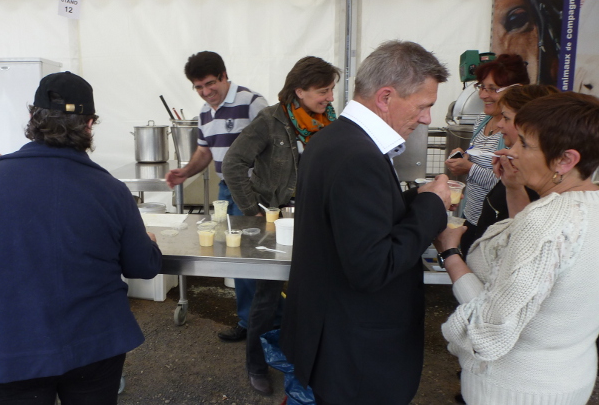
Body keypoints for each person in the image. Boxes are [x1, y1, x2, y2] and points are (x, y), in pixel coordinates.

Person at [0, 72, 162, 405]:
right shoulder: (111, 190)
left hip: (8, 346)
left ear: (32, 117)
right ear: (89, 125)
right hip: (94, 343)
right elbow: (142, 267)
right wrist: (150, 242)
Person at [280, 40, 452, 405]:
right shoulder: (359, 155)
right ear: (386, 97)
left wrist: (415, 199)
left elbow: (356, 218)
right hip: (357, 354)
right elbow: (372, 267)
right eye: (423, 106)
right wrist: (433, 207)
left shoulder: (333, 139)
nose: (426, 119)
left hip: (335, 337)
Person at [437, 92, 599, 404]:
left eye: (523, 143)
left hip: (515, 390)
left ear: (565, 160)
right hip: (569, 376)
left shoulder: (546, 222)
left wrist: (450, 252)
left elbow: (490, 327)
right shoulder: (581, 210)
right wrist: (514, 188)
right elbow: (535, 264)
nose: (510, 151)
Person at [222, 56, 340, 395]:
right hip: (274, 220)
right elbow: (233, 163)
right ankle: (256, 364)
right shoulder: (270, 120)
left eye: (331, 89)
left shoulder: (329, 120)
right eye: (323, 91)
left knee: (312, 291)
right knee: (267, 296)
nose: (330, 97)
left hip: (314, 218)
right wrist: (251, 211)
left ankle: (304, 359)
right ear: (299, 91)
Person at [166, 51, 268, 342]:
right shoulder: (205, 113)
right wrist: (184, 172)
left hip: (252, 191)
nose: (206, 92)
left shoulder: (252, 102)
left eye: (211, 83)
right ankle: (249, 322)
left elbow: (274, 146)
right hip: (226, 191)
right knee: (235, 258)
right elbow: (205, 152)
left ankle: (265, 324)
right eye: (199, 87)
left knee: (256, 260)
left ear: (224, 75)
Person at [446, 54, 530, 255]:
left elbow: (507, 182)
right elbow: (479, 156)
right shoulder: (483, 119)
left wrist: (470, 169)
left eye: (492, 89)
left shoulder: (517, 133)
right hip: (472, 214)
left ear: (516, 90)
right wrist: (463, 155)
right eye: (481, 87)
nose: (483, 95)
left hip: (495, 223)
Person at [470, 85, 560, 242]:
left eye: (506, 118)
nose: (499, 125)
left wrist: (449, 254)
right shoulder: (516, 169)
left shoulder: (537, 180)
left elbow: (524, 240)